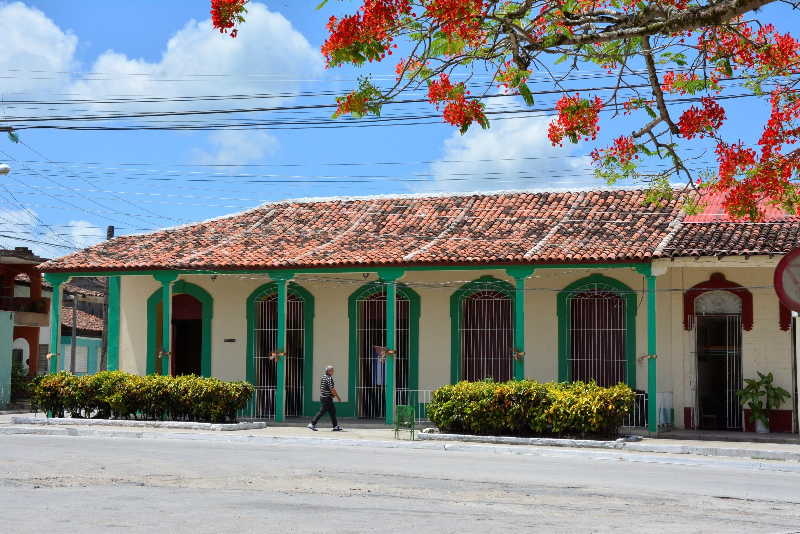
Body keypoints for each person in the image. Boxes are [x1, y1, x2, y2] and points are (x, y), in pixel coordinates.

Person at [308, 365, 342, 431]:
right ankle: (312, 424)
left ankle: (335, 426)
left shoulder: (323, 377)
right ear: (329, 371)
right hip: (327, 398)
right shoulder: (329, 378)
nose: (333, 372)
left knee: (332, 411)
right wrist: (338, 397)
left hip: (325, 397)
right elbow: (332, 389)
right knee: (322, 412)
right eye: (332, 370)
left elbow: (322, 388)